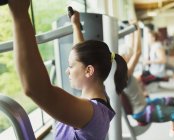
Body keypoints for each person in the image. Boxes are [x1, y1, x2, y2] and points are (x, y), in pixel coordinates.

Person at [8, 1, 128, 140]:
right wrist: (76, 25)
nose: (67, 71)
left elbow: (35, 89)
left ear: (89, 71)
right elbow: (81, 57)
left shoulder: (91, 113)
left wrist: (20, 15)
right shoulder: (99, 99)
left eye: (71, 66)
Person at [119, 24, 174, 140]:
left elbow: (132, 51)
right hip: (143, 112)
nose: (130, 56)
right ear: (124, 58)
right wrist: (136, 29)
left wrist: (132, 33)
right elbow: (137, 52)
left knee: (172, 100)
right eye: (127, 56)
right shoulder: (124, 73)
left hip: (144, 103)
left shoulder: (122, 71)